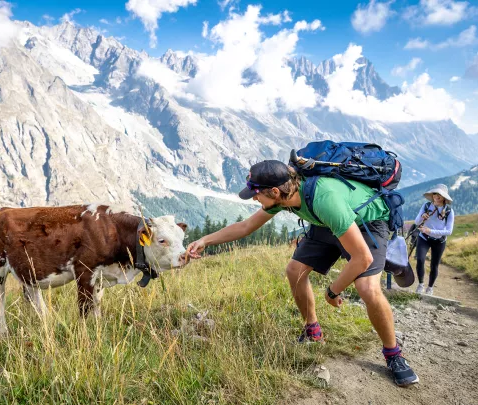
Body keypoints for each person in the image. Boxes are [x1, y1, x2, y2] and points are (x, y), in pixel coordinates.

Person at [186, 160, 418, 387]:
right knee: (295, 270)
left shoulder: (325, 199)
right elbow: (246, 227)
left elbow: (362, 258)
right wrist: (205, 240)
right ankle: (313, 331)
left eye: (256, 193)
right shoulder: (283, 196)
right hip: (326, 223)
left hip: (367, 222)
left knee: (367, 288)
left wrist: (333, 290)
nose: (255, 198)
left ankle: (393, 354)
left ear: (275, 191)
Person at [414, 184, 454, 296]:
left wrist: (430, 231)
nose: (437, 196)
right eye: (435, 193)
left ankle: (430, 288)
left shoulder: (449, 211)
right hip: (424, 238)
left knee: (434, 265)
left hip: (439, 241)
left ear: (444, 197)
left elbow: (449, 231)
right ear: (432, 195)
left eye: (440, 194)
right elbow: (417, 222)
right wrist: (422, 217)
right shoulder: (426, 206)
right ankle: (421, 284)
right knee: (420, 260)